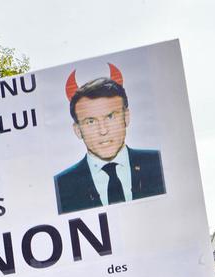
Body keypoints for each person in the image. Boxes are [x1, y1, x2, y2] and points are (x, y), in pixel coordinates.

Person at [54, 72, 165, 215]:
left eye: (110, 117)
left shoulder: (158, 163)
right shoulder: (62, 186)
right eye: (91, 121)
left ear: (126, 117)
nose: (103, 130)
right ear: (77, 130)